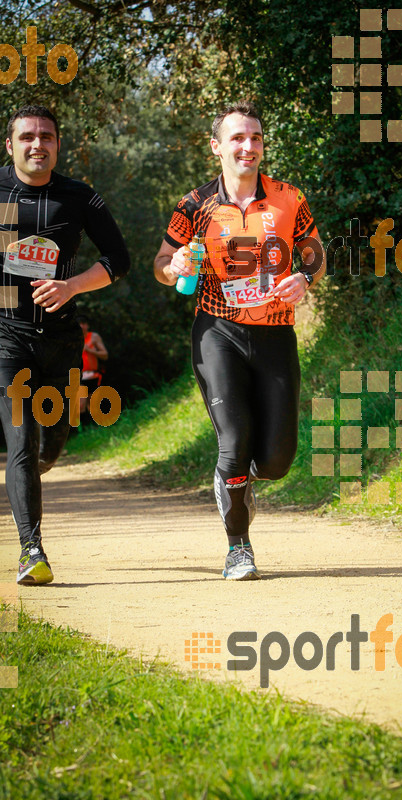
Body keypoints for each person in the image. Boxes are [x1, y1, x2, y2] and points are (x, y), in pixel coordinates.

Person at [154, 100, 325, 580]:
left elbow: (315, 255)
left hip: (275, 334)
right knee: (234, 441)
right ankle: (238, 548)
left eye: (255, 138)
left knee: (275, 461)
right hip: (218, 332)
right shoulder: (194, 204)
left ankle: (242, 481)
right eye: (237, 138)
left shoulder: (290, 197)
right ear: (217, 148)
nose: (247, 146)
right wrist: (174, 268)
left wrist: (305, 279)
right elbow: (162, 264)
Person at [0, 105, 130, 585]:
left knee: (47, 446)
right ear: (10, 144)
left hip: (59, 341)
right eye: (27, 136)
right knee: (20, 445)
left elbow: (119, 259)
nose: (38, 144)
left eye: (47, 137)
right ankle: (31, 551)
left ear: (58, 144)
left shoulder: (78, 197)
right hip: (4, 339)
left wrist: (72, 286)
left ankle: (45, 458)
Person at [78, 314, 108, 419]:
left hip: (93, 375)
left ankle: (97, 428)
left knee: (92, 405)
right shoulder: (75, 339)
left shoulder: (93, 337)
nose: (81, 326)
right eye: (79, 324)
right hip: (79, 376)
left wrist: (89, 350)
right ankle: (81, 430)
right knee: (80, 405)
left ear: (87, 325)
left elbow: (105, 355)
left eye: (83, 323)